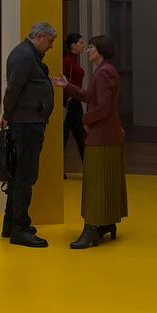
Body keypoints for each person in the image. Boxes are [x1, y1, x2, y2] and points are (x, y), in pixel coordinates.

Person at [55, 34, 128, 249]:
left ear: (101, 50)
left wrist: (84, 120)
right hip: (106, 136)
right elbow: (89, 96)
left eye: (91, 47)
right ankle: (105, 223)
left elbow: (103, 107)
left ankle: (91, 228)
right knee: (103, 182)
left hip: (101, 137)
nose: (87, 50)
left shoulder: (105, 72)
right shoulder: (104, 70)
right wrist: (67, 86)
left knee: (95, 184)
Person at [0, 21, 57, 248]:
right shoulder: (24, 55)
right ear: (39, 36)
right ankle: (20, 228)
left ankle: (11, 223)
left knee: (19, 175)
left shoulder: (26, 54)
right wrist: (7, 114)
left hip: (27, 123)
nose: (51, 46)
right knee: (25, 176)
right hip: (27, 125)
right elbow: (13, 88)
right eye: (50, 41)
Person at [62, 33, 86, 171]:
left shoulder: (72, 61)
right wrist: (68, 98)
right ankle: (88, 168)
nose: (83, 45)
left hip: (72, 101)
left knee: (68, 135)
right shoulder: (69, 62)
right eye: (80, 43)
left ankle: (60, 169)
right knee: (80, 135)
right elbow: (66, 82)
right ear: (73, 45)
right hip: (72, 102)